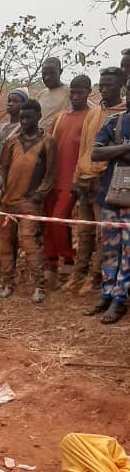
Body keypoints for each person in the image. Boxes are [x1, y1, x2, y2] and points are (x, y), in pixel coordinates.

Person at [66, 67, 127, 294]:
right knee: (84, 232)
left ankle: (95, 277)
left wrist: (100, 174)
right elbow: (84, 149)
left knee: (103, 232)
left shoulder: (121, 115)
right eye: (101, 85)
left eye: (109, 85)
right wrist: (77, 176)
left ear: (120, 86)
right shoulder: (93, 113)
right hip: (84, 178)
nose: (103, 89)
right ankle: (78, 274)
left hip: (105, 182)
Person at [0, 99, 56, 304]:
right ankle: (7, 283)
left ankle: (39, 285)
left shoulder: (48, 142)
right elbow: (3, 168)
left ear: (39, 117)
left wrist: (39, 194)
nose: (23, 121)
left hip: (30, 202)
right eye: (21, 117)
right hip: (7, 201)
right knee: (5, 244)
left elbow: (50, 174)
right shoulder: (11, 141)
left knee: (29, 242)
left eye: (28, 117)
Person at [86, 78, 130, 324]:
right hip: (110, 195)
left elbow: (105, 151)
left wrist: (114, 148)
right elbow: (95, 153)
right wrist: (124, 150)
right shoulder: (115, 121)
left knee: (128, 251)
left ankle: (120, 299)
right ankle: (107, 293)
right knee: (110, 248)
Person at [42, 75, 92, 287]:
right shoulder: (60, 117)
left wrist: (79, 179)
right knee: (48, 221)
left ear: (88, 92)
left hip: (72, 180)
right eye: (73, 92)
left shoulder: (91, 117)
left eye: (80, 93)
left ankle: (68, 259)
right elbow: (50, 147)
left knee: (58, 219)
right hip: (53, 179)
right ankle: (52, 263)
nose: (75, 96)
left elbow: (89, 150)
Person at [0, 87, 29, 283]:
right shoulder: (1, 129)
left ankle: (12, 269)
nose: (10, 104)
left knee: (13, 227)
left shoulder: (25, 130)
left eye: (15, 101)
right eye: (9, 100)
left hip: (17, 184)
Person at [37, 58, 70, 132]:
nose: (47, 77)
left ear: (60, 72)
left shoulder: (69, 92)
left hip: (58, 138)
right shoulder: (41, 94)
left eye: (52, 73)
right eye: (44, 74)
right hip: (40, 139)